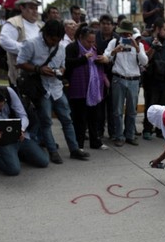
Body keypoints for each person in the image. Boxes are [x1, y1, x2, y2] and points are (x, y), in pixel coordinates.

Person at [17, 19, 90, 162]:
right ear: (45, 34)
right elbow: (20, 63)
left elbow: (63, 66)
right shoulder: (31, 44)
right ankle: (52, 151)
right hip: (41, 89)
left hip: (57, 88)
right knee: (46, 122)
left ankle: (74, 149)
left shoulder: (61, 47)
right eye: (52, 40)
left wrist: (60, 70)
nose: (54, 43)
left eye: (57, 40)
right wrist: (39, 69)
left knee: (67, 120)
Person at [0, 83, 48, 175]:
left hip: (18, 136)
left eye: (0, 106)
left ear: (4, 100)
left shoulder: (9, 92)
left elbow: (23, 116)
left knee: (43, 161)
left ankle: (15, 155)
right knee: (13, 170)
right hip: (1, 140)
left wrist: (21, 129)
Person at [64, 24, 109, 152]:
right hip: (79, 90)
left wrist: (104, 60)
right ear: (80, 38)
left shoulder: (95, 48)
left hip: (94, 89)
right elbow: (67, 64)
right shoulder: (72, 48)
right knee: (80, 119)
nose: (91, 44)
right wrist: (83, 59)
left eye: (93, 41)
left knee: (94, 117)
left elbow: (104, 63)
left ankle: (95, 141)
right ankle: (79, 145)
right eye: (88, 41)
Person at [103, 19, 147, 147]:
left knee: (132, 110)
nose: (125, 36)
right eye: (123, 34)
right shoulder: (114, 42)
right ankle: (119, 136)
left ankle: (130, 135)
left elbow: (144, 62)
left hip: (133, 80)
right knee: (117, 110)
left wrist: (137, 47)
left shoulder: (139, 45)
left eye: (127, 34)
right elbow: (106, 57)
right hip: (118, 78)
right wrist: (114, 51)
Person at [141, 18, 165, 141]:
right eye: (164, 30)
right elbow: (146, 59)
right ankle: (147, 129)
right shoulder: (146, 41)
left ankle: (161, 130)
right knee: (150, 105)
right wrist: (153, 47)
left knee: (164, 106)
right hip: (151, 79)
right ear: (157, 29)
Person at [0, 0, 41, 86]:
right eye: (31, 8)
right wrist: (27, 50)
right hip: (20, 75)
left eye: (36, 8)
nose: (35, 11)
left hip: (39, 74)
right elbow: (4, 40)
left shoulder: (40, 25)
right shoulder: (14, 22)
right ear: (22, 8)